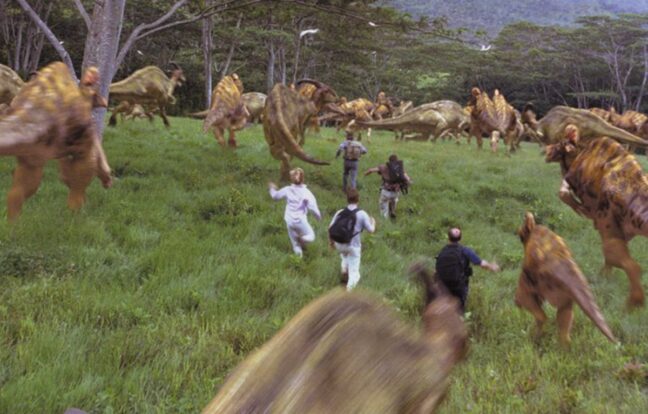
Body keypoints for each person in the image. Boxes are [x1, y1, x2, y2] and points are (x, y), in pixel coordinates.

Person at [435, 227, 500, 313]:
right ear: (461, 238)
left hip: (442, 284)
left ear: (448, 237)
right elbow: (480, 263)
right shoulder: (465, 250)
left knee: (443, 305)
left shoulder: (443, 251)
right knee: (459, 308)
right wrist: (492, 266)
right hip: (458, 285)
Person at [329, 189, 376, 291]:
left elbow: (330, 228)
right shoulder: (362, 214)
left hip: (339, 244)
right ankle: (348, 292)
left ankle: (344, 268)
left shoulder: (340, 212)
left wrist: (331, 242)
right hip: (353, 246)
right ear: (358, 199)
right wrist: (373, 222)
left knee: (344, 254)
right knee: (355, 274)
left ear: (347, 199)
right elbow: (371, 230)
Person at [269, 168, 321, 257]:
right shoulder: (306, 192)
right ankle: (303, 239)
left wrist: (271, 188)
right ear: (303, 178)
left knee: (295, 245)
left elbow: (275, 196)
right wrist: (318, 216)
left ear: (291, 178)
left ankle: (297, 261)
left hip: (289, 221)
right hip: (300, 221)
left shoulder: (287, 189)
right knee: (311, 236)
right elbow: (312, 207)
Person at [364, 154, 411, 219]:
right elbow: (407, 179)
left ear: (389, 161)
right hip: (395, 192)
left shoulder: (384, 167)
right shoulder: (399, 169)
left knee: (383, 205)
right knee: (394, 200)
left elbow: (371, 170)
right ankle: (392, 211)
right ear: (397, 160)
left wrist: (365, 173)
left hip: (386, 191)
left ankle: (385, 219)